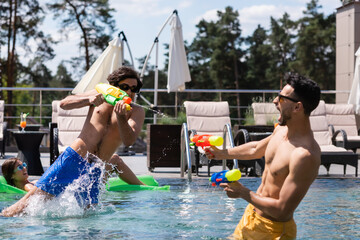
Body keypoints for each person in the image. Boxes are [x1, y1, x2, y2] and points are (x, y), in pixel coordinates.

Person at [1, 66, 146, 217]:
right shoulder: (99, 94)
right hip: (73, 158)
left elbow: (129, 140)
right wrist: (87, 99)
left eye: (134, 89)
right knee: (29, 203)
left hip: (95, 169)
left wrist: (121, 117)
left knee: (88, 215)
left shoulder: (136, 111)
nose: (129, 92)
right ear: (114, 86)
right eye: (125, 87)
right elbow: (64, 104)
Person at [205, 73, 321, 239]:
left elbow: (282, 211)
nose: (275, 101)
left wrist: (243, 193)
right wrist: (221, 153)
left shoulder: (304, 156)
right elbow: (256, 149)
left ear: (297, 107)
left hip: (274, 231)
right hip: (250, 218)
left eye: (281, 98)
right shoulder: (281, 130)